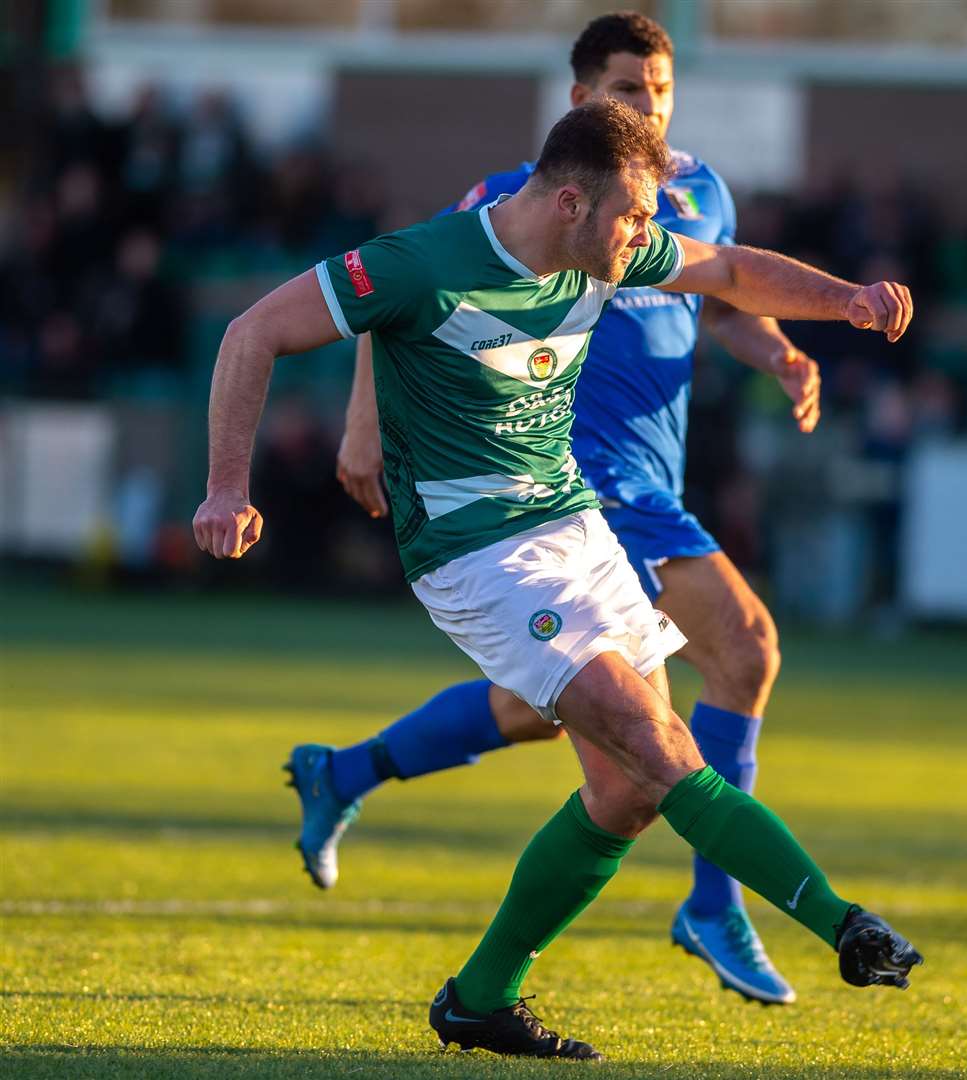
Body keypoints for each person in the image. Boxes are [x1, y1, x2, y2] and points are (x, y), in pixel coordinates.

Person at [193, 98, 921, 1061]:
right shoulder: (420, 263)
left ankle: (481, 998)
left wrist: (848, 301)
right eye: (633, 217)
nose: (649, 238)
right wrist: (226, 488)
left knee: (624, 792)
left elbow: (735, 272)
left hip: (573, 527)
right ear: (571, 202)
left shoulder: (612, 247)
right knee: (661, 747)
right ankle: (841, 923)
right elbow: (251, 332)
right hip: (471, 549)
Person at [292, 11, 822, 1006]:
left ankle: (345, 773)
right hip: (575, 477)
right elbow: (394, 290)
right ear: (583, 99)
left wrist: (781, 352)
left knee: (553, 712)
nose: (648, 106)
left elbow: (722, 300)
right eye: (627, 90)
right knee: (744, 647)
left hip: (652, 477)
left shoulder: (696, 194)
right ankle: (716, 903)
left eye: (659, 89)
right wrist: (364, 425)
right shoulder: (525, 198)